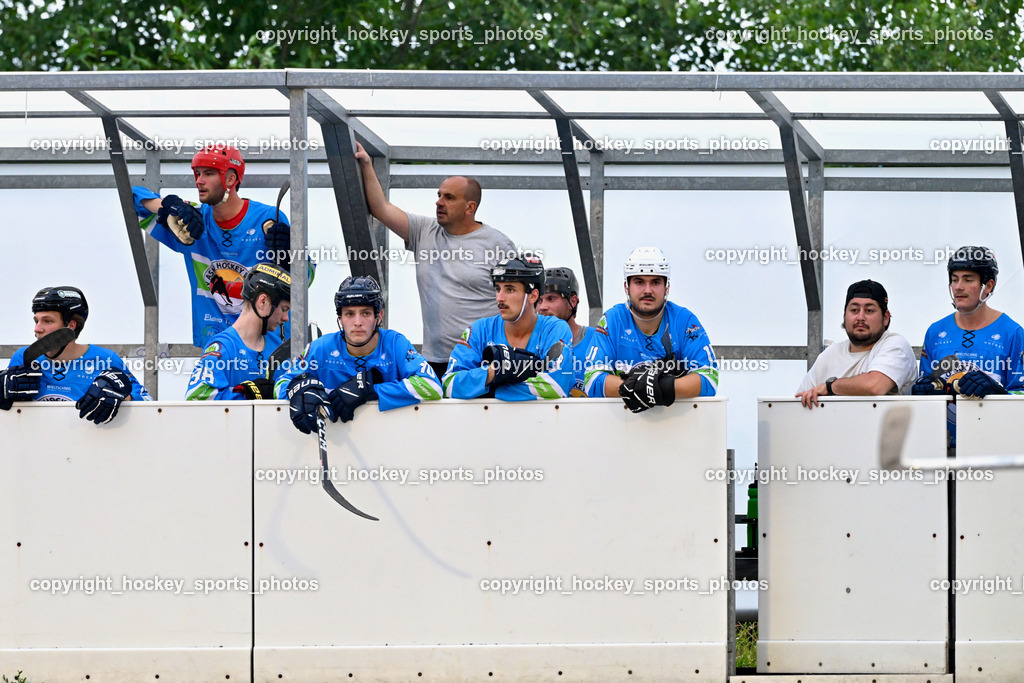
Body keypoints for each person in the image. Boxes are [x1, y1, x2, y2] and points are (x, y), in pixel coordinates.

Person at [354, 142, 517, 377]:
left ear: (470, 207)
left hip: (483, 360)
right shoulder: (424, 230)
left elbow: (521, 302)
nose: (439, 202)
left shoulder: (498, 245)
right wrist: (367, 164)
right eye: (439, 195)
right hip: (436, 362)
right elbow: (381, 208)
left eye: (449, 197)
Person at [132, 144, 295, 348]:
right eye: (197, 173)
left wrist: (291, 258)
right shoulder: (190, 221)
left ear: (231, 179)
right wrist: (168, 206)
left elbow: (305, 279)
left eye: (209, 173)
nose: (199, 181)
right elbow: (130, 197)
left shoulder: (268, 218)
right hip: (219, 348)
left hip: (270, 347)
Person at [278, 276, 442, 434]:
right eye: (349, 314)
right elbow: (281, 384)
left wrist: (372, 390)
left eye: (365, 313)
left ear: (379, 316)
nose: (357, 322)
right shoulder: (320, 348)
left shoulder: (394, 343)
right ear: (340, 318)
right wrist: (301, 389)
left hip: (389, 442)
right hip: (337, 444)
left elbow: (432, 386)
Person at [584, 247, 718, 412]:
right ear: (627, 287)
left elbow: (709, 378)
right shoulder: (612, 319)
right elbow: (592, 380)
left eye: (655, 282)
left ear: (666, 287)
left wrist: (662, 387)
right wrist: (638, 387)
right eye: (639, 282)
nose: (648, 290)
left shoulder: (684, 320)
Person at [0, 286, 150, 423]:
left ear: (71, 325)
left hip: (89, 447)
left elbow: (149, 404)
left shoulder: (105, 359)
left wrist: (124, 396)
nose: (37, 329)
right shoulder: (24, 357)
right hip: (36, 447)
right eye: (36, 321)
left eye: (47, 321)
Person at [442, 255, 573, 401]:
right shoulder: (480, 329)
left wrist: (487, 389)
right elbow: (450, 385)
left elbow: (557, 387)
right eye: (498, 289)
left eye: (509, 290)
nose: (499, 298)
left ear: (533, 296)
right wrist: (494, 371)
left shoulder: (555, 328)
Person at [912, 246, 1024, 399]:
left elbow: (1021, 393)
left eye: (968, 279)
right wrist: (924, 391)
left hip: (993, 422)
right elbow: (925, 388)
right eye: (954, 279)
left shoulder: (1012, 333)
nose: (958, 287)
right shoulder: (935, 332)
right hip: (945, 423)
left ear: (988, 286)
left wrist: (996, 391)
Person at [795, 280, 917, 409]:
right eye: (854, 310)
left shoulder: (896, 345)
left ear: (886, 317)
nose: (860, 317)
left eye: (869, 310)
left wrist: (829, 387)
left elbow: (874, 386)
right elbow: (798, 404)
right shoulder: (830, 354)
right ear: (844, 315)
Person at [185, 263, 292, 401]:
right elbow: (196, 396)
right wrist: (248, 398)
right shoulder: (224, 347)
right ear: (263, 301)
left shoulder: (280, 350)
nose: (286, 318)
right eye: (284, 309)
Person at [536, 266, 600, 396]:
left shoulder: (597, 338)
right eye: (539, 301)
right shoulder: (532, 342)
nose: (542, 307)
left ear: (572, 301)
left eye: (551, 299)